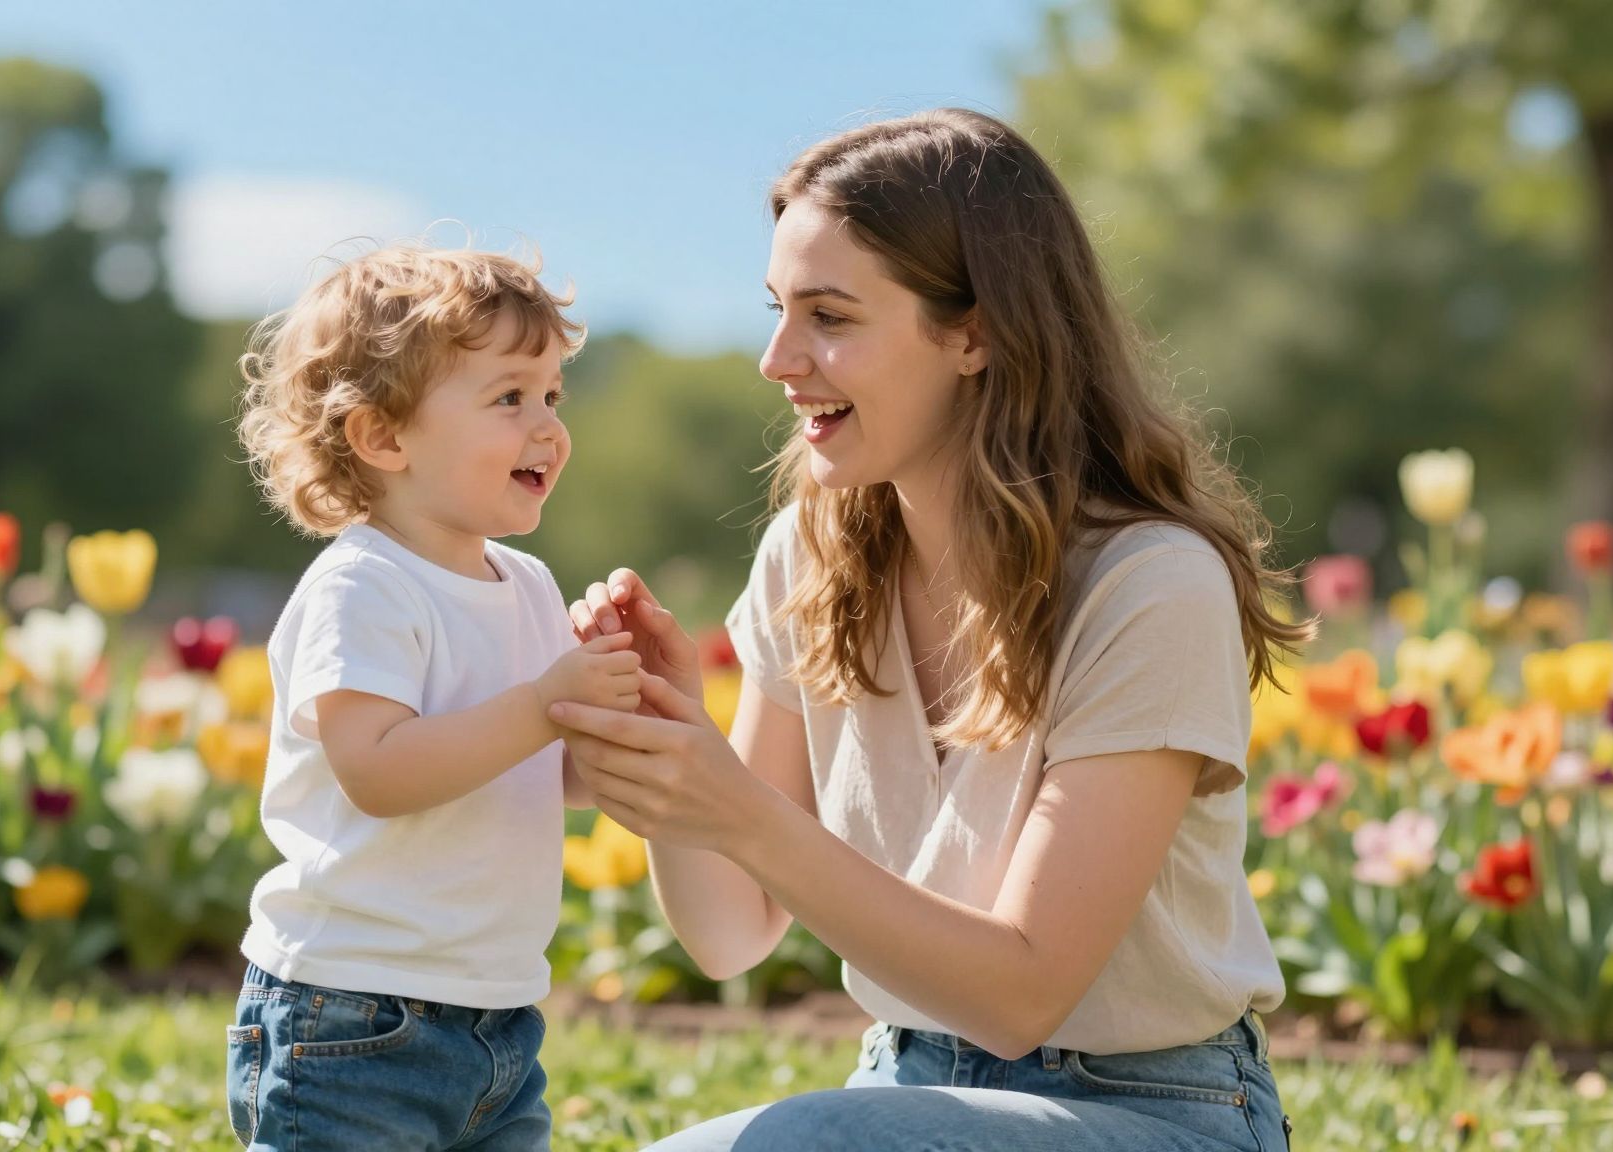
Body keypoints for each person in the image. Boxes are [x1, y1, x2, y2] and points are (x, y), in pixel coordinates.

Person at [557, 109, 1309, 1151]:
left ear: (975, 331)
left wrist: (734, 808)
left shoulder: (1150, 585)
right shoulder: (809, 558)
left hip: (1153, 1112)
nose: (777, 358)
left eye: (827, 315)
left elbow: (1022, 992)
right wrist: (663, 742)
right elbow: (728, 933)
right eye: (776, 309)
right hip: (901, 1092)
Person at [227, 243, 635, 1150]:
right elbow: (377, 770)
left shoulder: (525, 585)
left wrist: (601, 724)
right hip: (351, 1015)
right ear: (383, 437)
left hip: (496, 1016)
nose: (548, 427)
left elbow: (537, 773)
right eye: (509, 397)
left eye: (553, 395)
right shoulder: (363, 589)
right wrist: (541, 704)